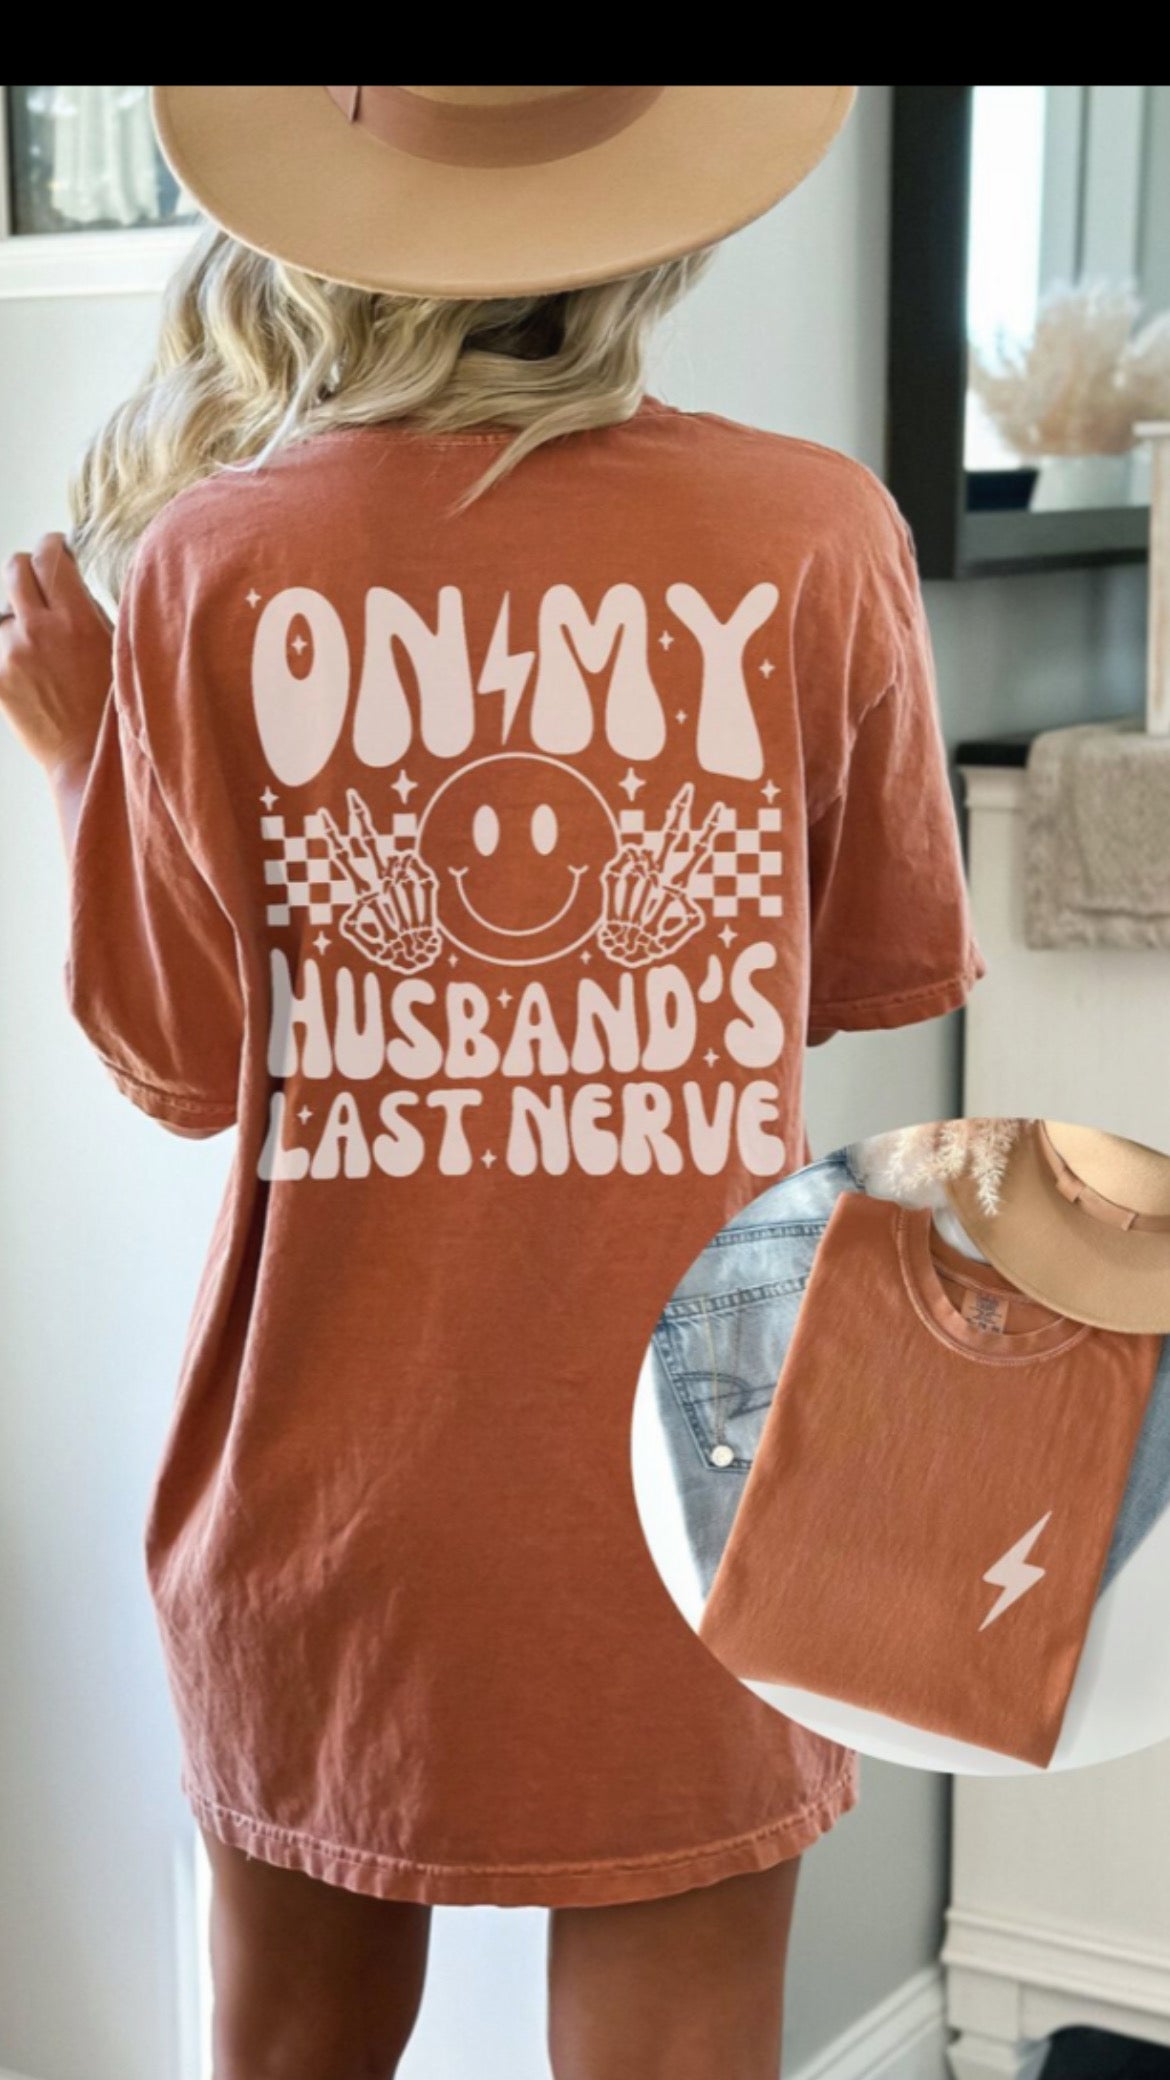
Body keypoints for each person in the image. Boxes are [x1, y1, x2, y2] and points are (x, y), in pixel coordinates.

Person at [0, 86, 981, 2080]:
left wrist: (91, 758)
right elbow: (863, 967)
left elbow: (183, 1069)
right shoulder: (815, 527)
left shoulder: (213, 557)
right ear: (652, 214)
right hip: (713, 1468)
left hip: (328, 1479)